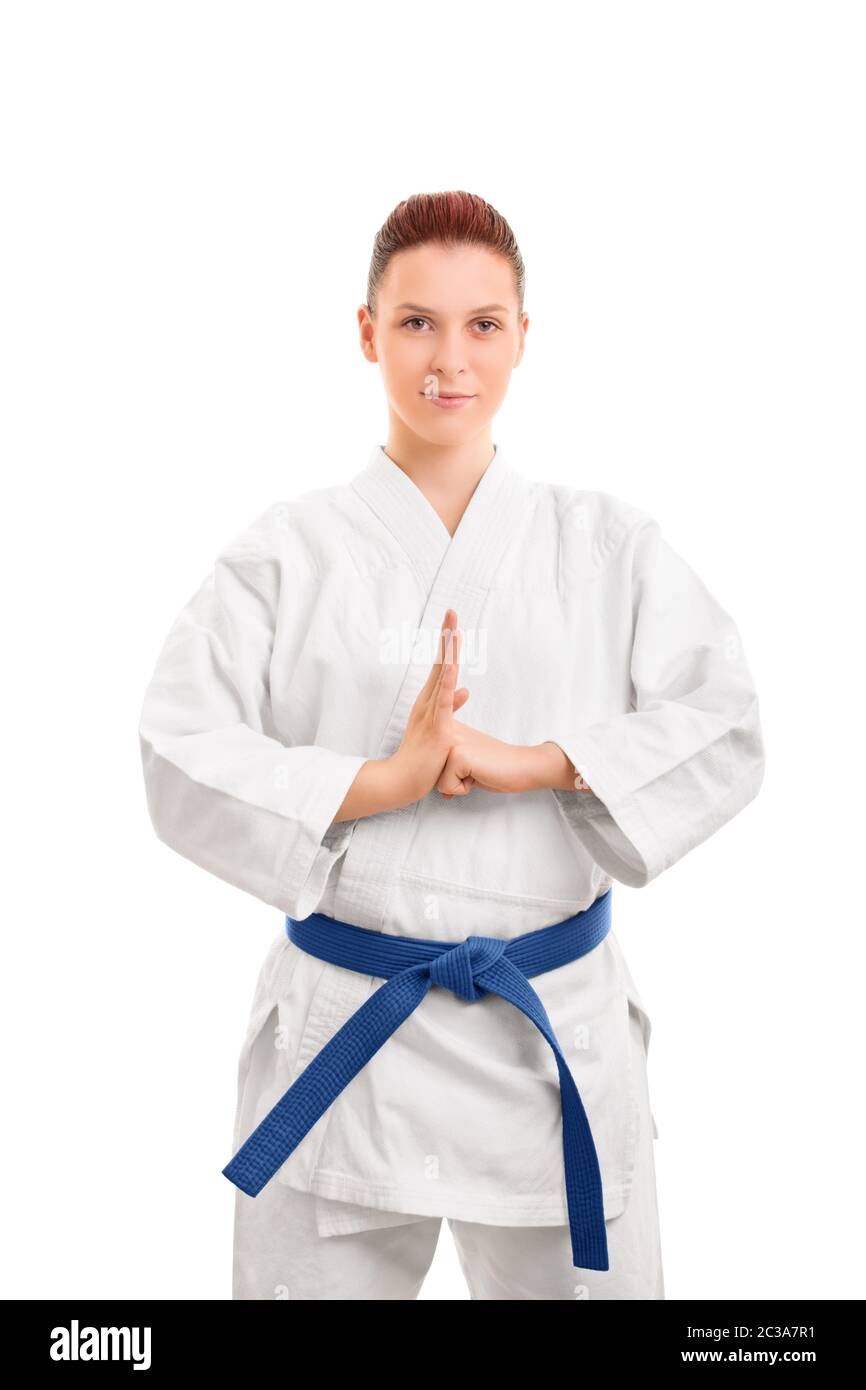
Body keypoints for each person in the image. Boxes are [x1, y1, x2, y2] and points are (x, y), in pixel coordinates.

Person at [138, 190, 765, 1300]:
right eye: (417, 321)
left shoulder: (606, 546)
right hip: (346, 1037)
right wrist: (380, 781)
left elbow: (723, 722)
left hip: (544, 1038)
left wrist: (537, 760)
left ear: (523, 337)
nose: (448, 358)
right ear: (367, 331)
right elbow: (179, 746)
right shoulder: (288, 553)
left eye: (482, 324)